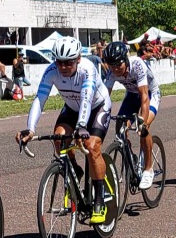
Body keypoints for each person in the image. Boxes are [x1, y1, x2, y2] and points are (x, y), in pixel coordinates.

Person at [16, 36, 112, 224]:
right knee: (59, 138)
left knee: (92, 146)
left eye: (68, 62)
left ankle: (100, 198)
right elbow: (40, 99)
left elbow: (87, 98)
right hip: (72, 108)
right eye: (59, 62)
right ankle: (75, 169)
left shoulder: (87, 70)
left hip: (96, 107)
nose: (63, 67)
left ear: (77, 59)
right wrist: (30, 128)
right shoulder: (51, 71)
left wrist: (82, 126)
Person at [103, 41, 159, 190]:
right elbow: (104, 97)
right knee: (120, 129)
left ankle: (148, 169)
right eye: (112, 65)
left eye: (118, 65)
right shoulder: (112, 71)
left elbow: (144, 97)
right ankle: (130, 155)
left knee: (143, 129)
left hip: (150, 94)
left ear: (126, 59)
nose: (115, 69)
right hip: (132, 96)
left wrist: (142, 121)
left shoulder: (137, 64)